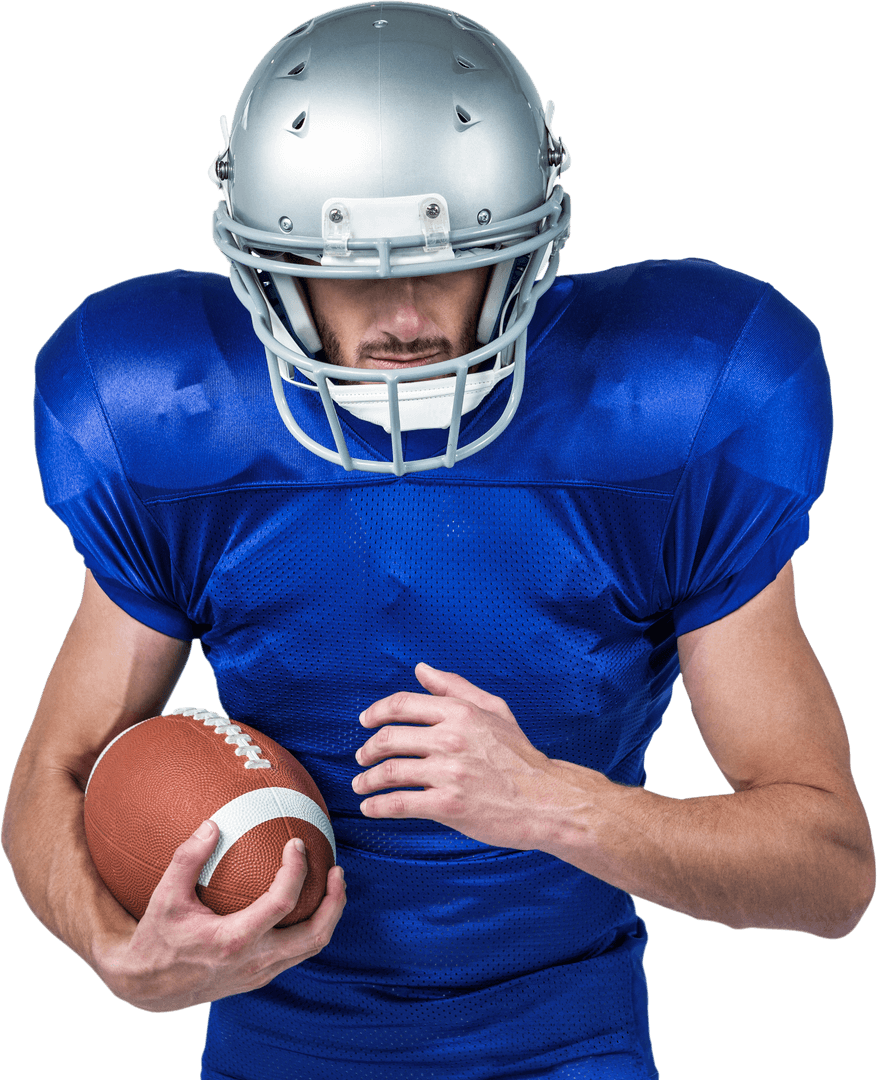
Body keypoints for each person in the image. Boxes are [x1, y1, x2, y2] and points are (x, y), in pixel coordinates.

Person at [3, 3, 874, 1078]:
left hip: (565, 1044)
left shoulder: (674, 412)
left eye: (450, 261)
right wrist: (113, 950)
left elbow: (829, 869)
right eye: (350, 270)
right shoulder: (169, 414)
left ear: (531, 244)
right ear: (266, 269)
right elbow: (56, 770)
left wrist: (559, 805)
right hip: (274, 1046)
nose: (403, 317)